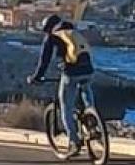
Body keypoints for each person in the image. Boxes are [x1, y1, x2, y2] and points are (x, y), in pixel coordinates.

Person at [27, 14, 96, 154]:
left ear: (48, 28)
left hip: (71, 73)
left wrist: (36, 77)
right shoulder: (74, 31)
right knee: (85, 89)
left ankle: (74, 142)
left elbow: (44, 60)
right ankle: (92, 120)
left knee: (66, 108)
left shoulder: (52, 36)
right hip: (88, 69)